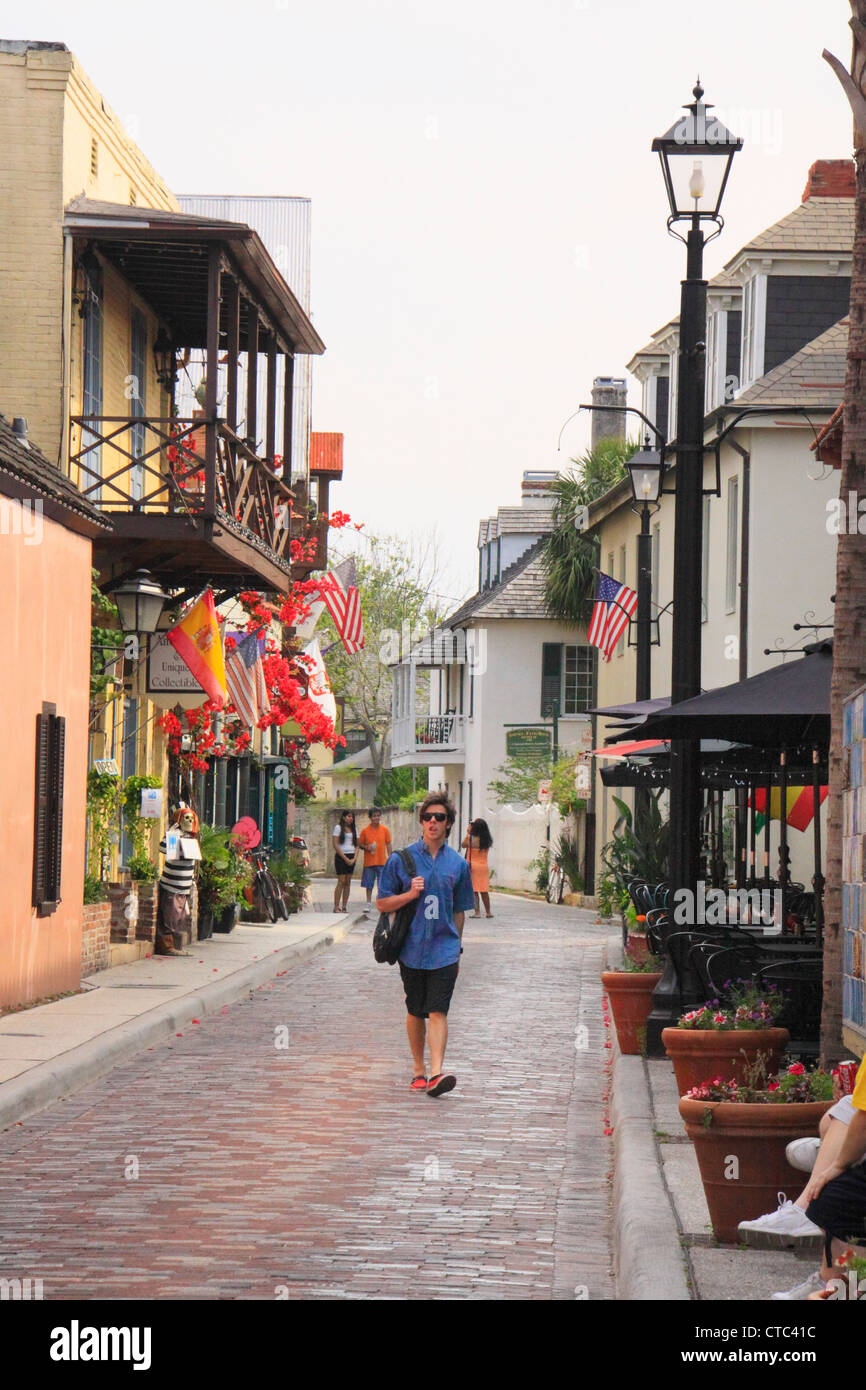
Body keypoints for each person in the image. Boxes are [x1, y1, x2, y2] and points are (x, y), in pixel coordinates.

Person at [377, 791, 475, 1097]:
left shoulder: (458, 865)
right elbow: (382, 903)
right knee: (415, 1009)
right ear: (421, 822)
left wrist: (457, 949)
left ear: (448, 824)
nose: (433, 822)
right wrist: (409, 895)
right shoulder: (401, 860)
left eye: (439, 818)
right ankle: (418, 1070)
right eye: (427, 817)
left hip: (444, 949)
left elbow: (459, 911)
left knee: (438, 1010)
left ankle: (436, 1073)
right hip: (411, 947)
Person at [156, 805, 199, 956]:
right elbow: (162, 848)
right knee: (169, 917)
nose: (189, 821)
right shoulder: (175, 835)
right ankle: (166, 947)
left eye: (191, 818)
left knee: (178, 918)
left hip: (183, 887)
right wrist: (171, 833)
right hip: (172, 886)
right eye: (186, 818)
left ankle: (174, 946)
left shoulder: (189, 837)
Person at [358, 808, 392, 912]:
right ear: (370, 817)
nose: (376, 817)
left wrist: (390, 858)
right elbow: (359, 844)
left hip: (382, 861)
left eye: (378, 815)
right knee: (369, 884)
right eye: (374, 816)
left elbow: (388, 844)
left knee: (382, 883)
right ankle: (368, 903)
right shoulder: (365, 831)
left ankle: (381, 902)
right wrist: (366, 847)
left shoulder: (385, 829)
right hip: (369, 862)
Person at [461, 818, 493, 918]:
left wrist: (468, 831)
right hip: (483, 866)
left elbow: (463, 845)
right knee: (484, 890)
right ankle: (488, 912)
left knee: (474, 890)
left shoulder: (470, 838)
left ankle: (477, 912)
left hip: (473, 867)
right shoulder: (487, 839)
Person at [332, 810, 358, 912]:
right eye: (348, 816)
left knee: (348, 882)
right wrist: (345, 858)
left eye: (352, 817)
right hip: (341, 856)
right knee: (341, 881)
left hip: (352, 856)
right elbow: (335, 844)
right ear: (343, 817)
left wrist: (354, 858)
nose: (350, 818)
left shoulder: (354, 829)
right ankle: (336, 906)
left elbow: (357, 845)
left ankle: (344, 906)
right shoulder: (338, 828)